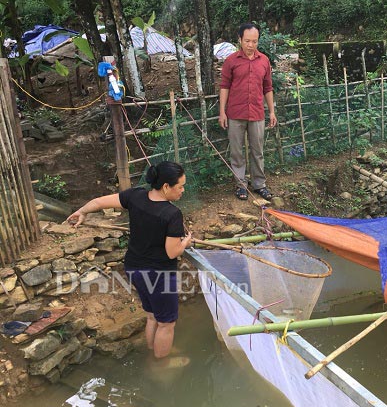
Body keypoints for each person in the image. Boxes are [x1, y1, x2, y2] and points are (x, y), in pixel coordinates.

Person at [66, 161, 192, 363]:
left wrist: (82, 211)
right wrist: (185, 242)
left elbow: (98, 202)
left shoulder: (136, 195)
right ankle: (162, 363)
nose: (183, 190)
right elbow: (171, 252)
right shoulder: (172, 214)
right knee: (167, 323)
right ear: (166, 186)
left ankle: (154, 351)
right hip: (159, 275)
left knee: (152, 316)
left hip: (134, 267)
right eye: (180, 186)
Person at [219, 22, 277, 201]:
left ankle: (259, 184)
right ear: (239, 40)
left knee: (257, 151)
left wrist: (272, 111)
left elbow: (268, 87)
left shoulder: (264, 60)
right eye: (247, 41)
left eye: (254, 41)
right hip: (235, 113)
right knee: (237, 151)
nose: (251, 45)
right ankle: (241, 185)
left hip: (257, 113)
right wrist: (222, 111)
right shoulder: (231, 61)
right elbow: (224, 86)